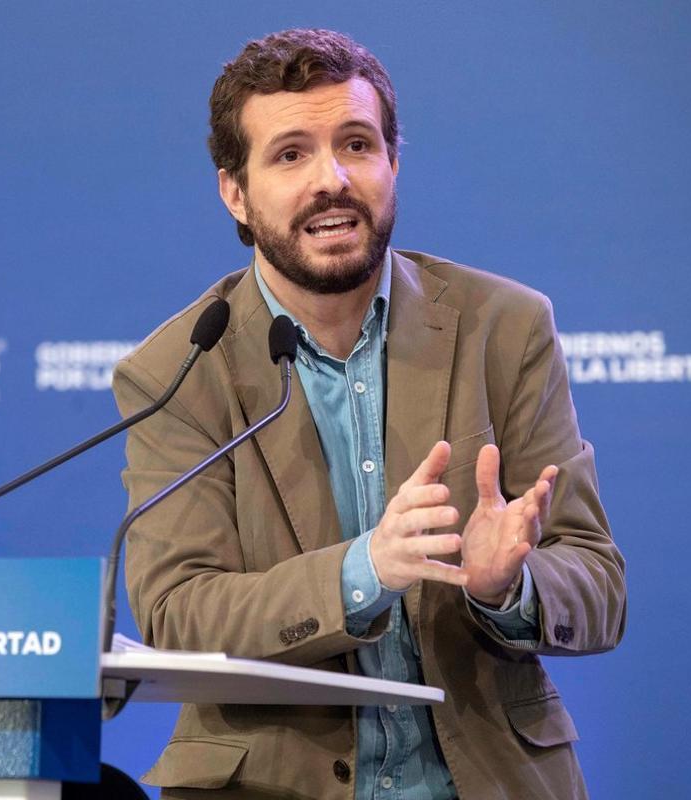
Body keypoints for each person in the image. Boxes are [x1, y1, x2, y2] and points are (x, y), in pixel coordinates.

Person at [112, 28, 626, 800]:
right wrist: (364, 570)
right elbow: (180, 613)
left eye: (356, 144)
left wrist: (504, 589)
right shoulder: (180, 369)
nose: (333, 179)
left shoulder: (504, 327)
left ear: (393, 163)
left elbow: (596, 582)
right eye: (290, 154)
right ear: (235, 193)